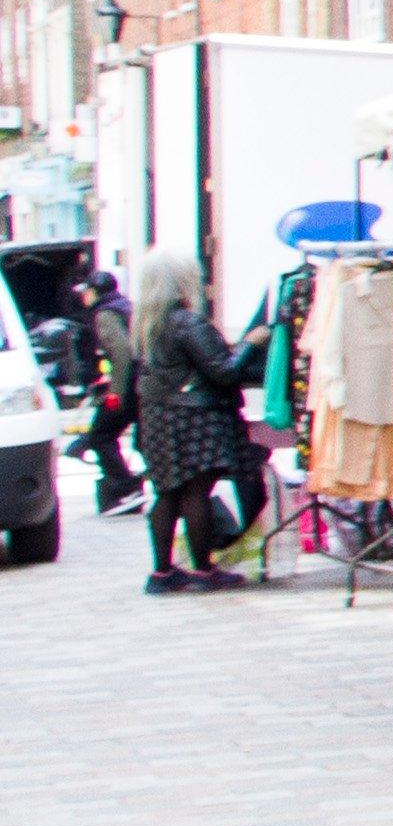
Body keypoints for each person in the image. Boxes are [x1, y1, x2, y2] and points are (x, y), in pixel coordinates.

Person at [129, 251, 261, 593]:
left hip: (159, 417)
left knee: (167, 492)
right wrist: (250, 343)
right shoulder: (188, 322)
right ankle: (203, 570)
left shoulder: (145, 324)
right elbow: (224, 371)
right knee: (197, 491)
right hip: (196, 417)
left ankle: (161, 572)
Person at [70, 266, 141, 513]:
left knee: (100, 436)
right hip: (143, 382)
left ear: (95, 292)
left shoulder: (105, 314)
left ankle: (127, 488)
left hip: (129, 385)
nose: (83, 296)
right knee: (143, 441)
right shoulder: (125, 306)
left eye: (86, 291)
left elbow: (122, 355)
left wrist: (115, 393)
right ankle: (134, 488)